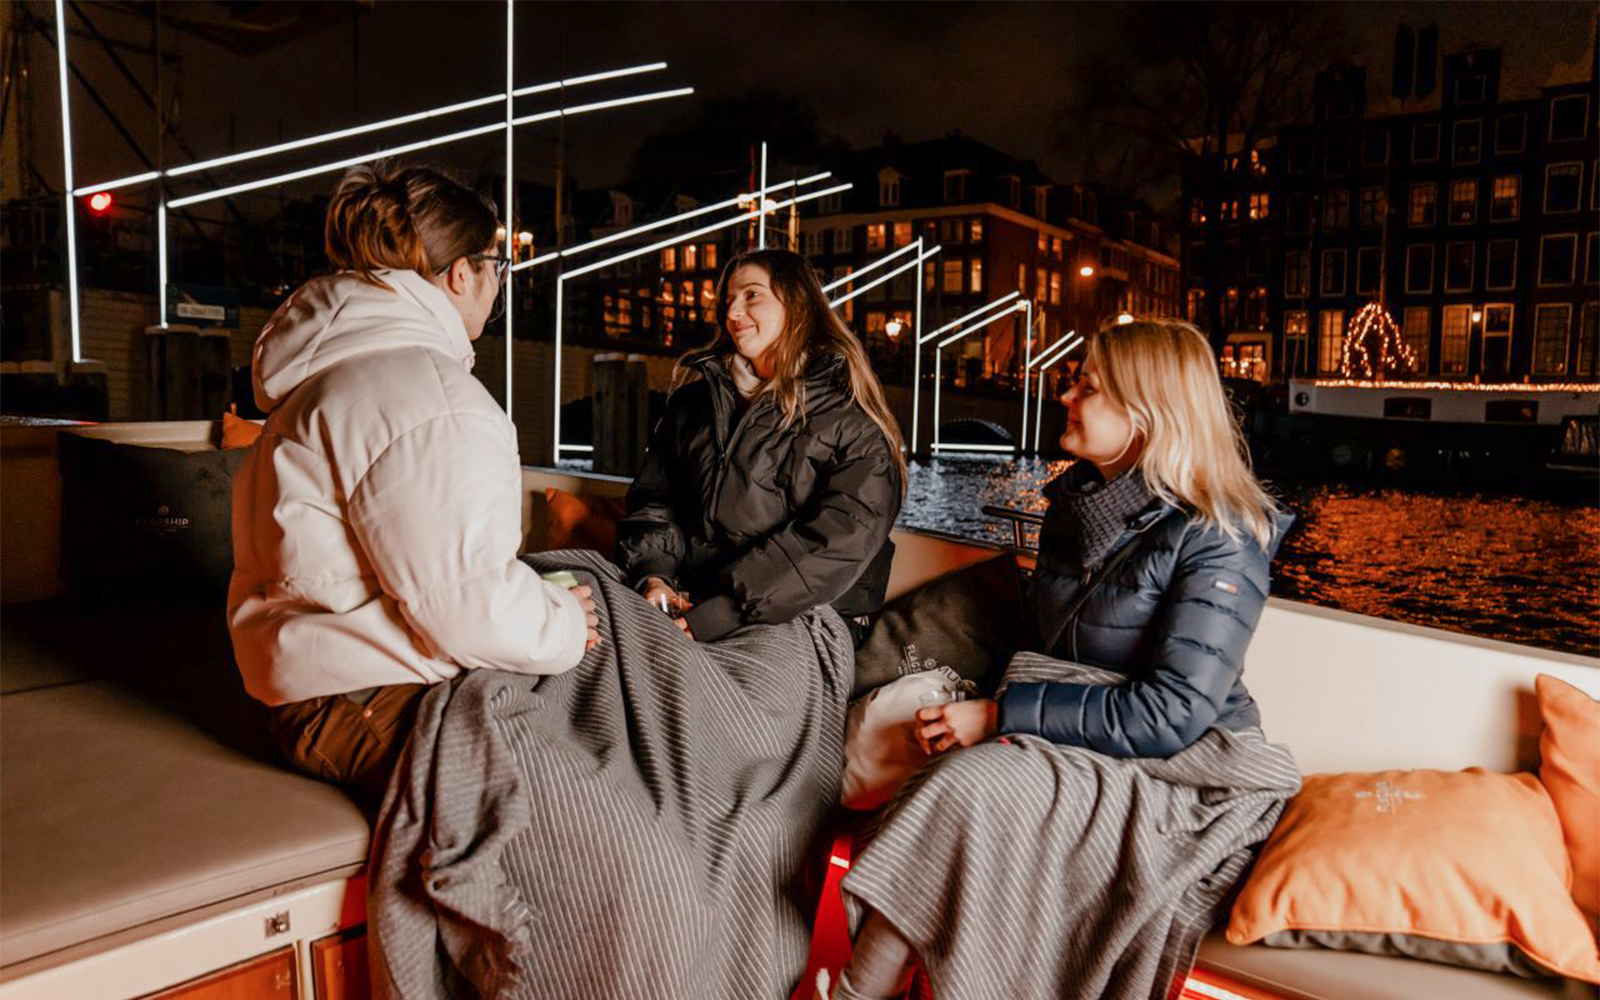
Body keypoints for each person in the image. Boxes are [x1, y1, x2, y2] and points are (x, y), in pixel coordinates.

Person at [828, 318, 1300, 1000]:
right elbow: (1055, 654)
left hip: (1182, 771)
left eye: (1087, 387)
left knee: (970, 787)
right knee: (952, 786)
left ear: (1147, 412)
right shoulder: (1075, 512)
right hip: (1082, 743)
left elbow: (1173, 712)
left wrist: (997, 715)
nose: (1067, 398)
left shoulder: (1220, 536)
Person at [228, 160, 599, 809]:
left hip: (302, 688)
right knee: (605, 795)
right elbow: (465, 605)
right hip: (364, 703)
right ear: (464, 274)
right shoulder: (432, 396)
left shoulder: (327, 378)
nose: (498, 284)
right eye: (498, 267)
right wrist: (566, 620)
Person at [615, 248, 905, 644]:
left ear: (798, 306)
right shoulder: (693, 405)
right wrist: (654, 578)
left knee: (676, 675)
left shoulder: (854, 427)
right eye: (729, 300)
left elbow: (836, 542)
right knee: (570, 587)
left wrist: (716, 615)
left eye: (752, 295)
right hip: (690, 597)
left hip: (804, 617)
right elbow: (657, 499)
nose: (733, 313)